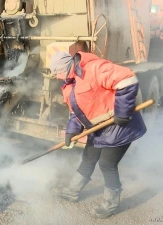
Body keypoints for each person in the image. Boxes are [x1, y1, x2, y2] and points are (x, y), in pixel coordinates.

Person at [49, 51, 147, 218]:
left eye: (57, 72)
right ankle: (72, 192)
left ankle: (110, 205)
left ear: (66, 66)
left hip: (119, 125)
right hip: (98, 129)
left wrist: (122, 112)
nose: (57, 77)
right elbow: (76, 113)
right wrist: (72, 131)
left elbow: (127, 78)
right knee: (88, 157)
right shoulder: (68, 86)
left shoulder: (94, 68)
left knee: (107, 164)